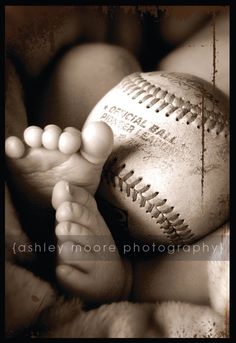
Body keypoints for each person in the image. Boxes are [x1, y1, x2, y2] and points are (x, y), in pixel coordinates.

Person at [5, 5, 229, 331]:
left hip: (208, 215)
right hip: (136, 106)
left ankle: (130, 277)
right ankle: (60, 195)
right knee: (94, 63)